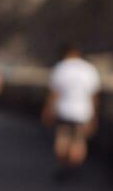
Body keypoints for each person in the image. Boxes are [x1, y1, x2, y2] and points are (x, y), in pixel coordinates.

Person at [41, 43, 101, 179]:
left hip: (63, 110)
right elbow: (93, 95)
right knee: (78, 141)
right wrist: (94, 115)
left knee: (62, 139)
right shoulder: (88, 69)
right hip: (82, 112)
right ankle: (74, 168)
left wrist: (47, 110)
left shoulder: (60, 68)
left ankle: (64, 167)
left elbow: (53, 93)